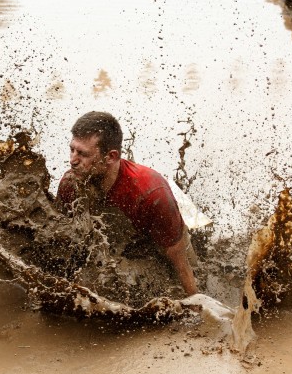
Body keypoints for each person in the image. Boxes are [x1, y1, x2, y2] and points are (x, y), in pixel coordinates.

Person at [56, 111, 198, 296]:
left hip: (159, 245)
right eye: (72, 149)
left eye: (83, 154)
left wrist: (195, 305)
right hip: (121, 236)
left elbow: (178, 257)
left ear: (111, 157)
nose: (72, 160)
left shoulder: (150, 194)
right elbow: (60, 233)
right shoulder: (70, 184)